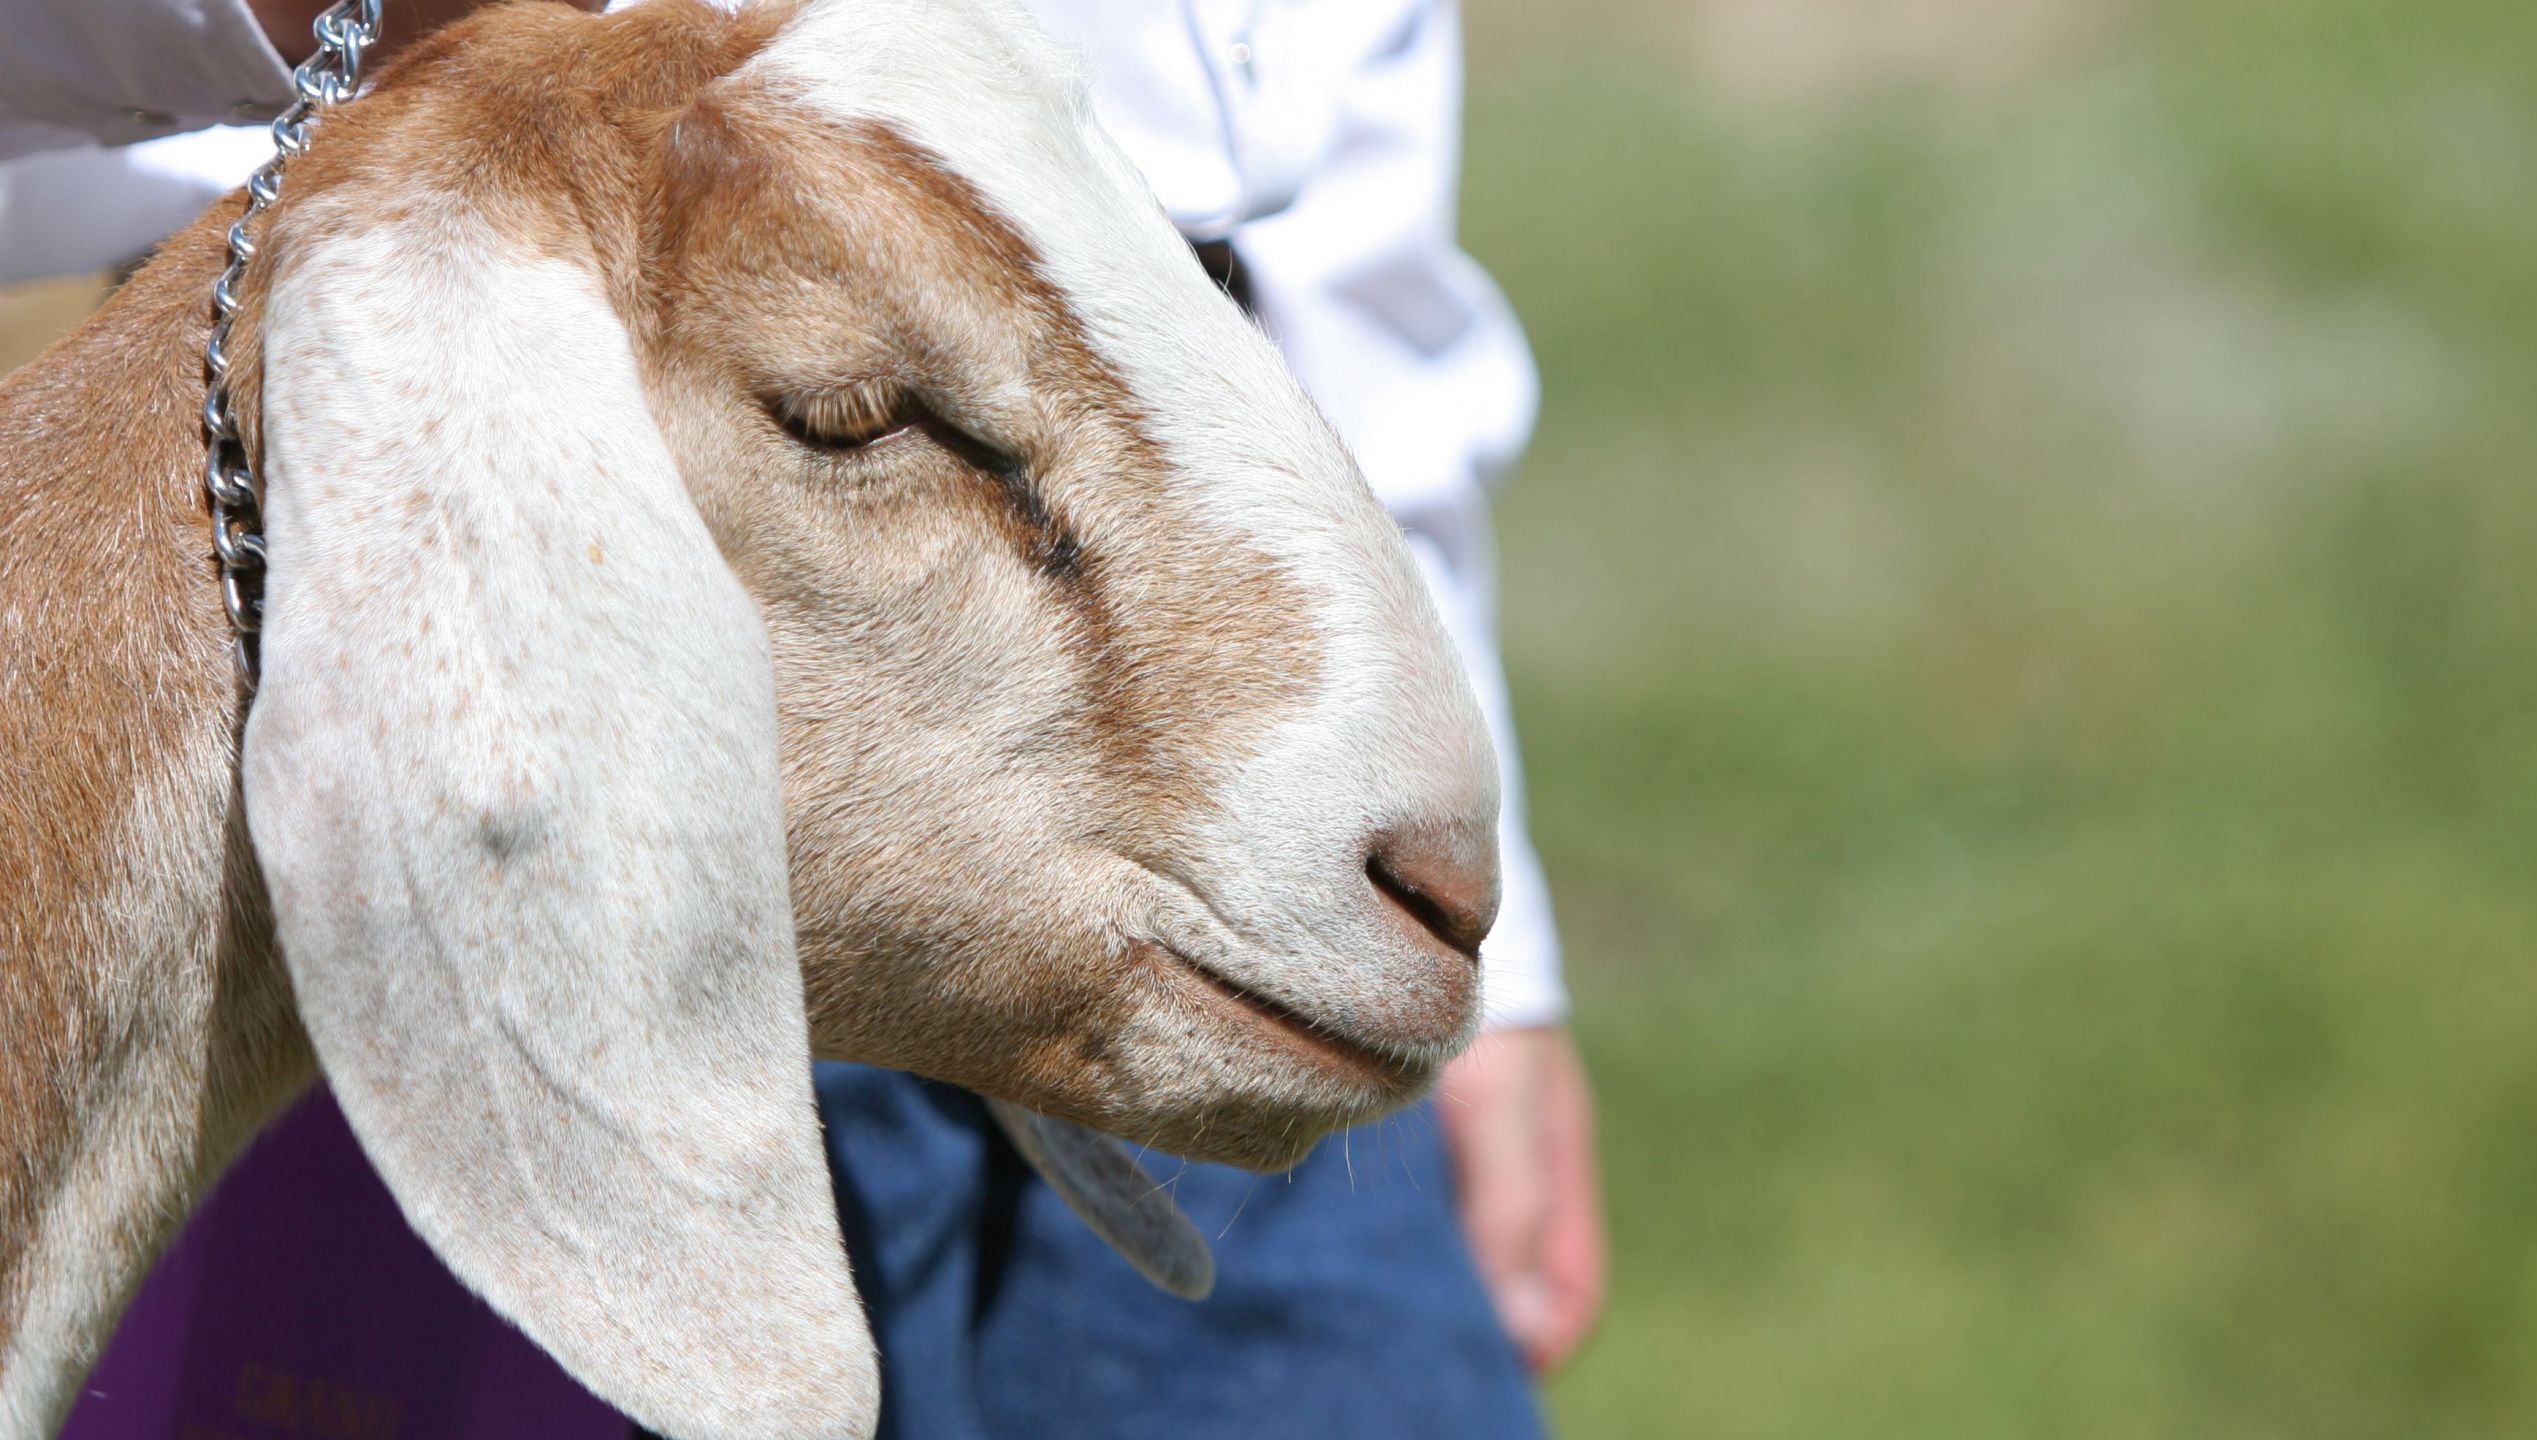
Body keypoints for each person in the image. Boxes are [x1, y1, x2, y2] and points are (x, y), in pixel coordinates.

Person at [2, 0, 1606, 1432]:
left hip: (1201, 805)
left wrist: (1502, 934)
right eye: (848, 410)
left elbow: (1321, 115)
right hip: (502, 658)